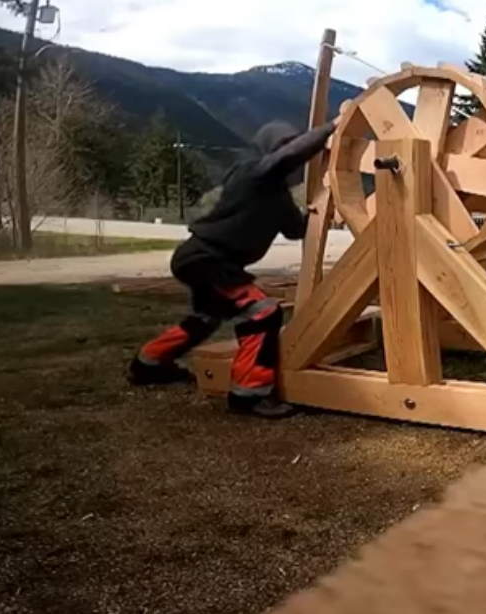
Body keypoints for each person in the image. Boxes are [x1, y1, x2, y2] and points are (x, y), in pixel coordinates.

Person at [128, 118, 337, 418]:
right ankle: (249, 395)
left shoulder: (278, 195)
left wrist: (327, 212)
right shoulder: (250, 172)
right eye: (283, 145)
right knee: (263, 312)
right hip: (206, 257)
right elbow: (284, 157)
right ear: (269, 150)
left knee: (206, 317)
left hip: (211, 261)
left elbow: (296, 229)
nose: (289, 152)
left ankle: (148, 364)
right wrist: (331, 128)